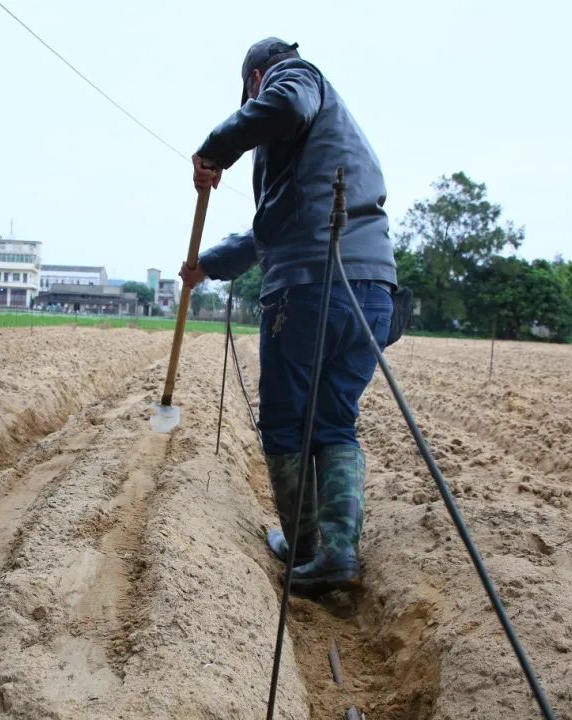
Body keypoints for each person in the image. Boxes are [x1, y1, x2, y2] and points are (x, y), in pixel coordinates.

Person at [178, 38, 397, 594]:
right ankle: (338, 554)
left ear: (255, 79)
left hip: (307, 291)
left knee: (284, 423)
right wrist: (208, 264)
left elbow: (283, 105)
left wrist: (214, 150)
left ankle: (303, 546)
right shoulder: (327, 145)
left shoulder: (295, 78)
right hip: (373, 292)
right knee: (334, 421)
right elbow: (273, 227)